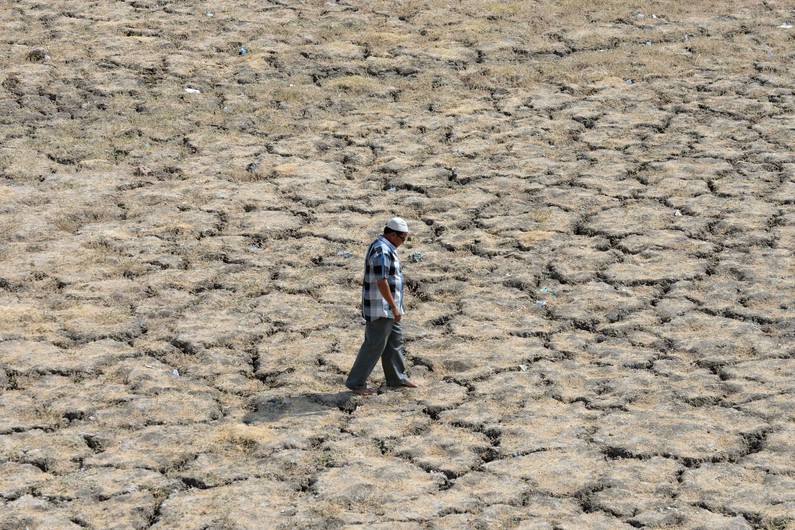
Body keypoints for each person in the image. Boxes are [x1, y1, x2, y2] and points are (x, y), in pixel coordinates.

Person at [345, 217, 418, 396]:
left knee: (395, 341)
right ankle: (356, 382)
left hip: (389, 308)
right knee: (374, 344)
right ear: (393, 234)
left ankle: (396, 378)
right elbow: (382, 282)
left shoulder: (385, 247)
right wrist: (393, 307)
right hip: (382, 308)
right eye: (403, 238)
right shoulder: (381, 251)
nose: (403, 242)